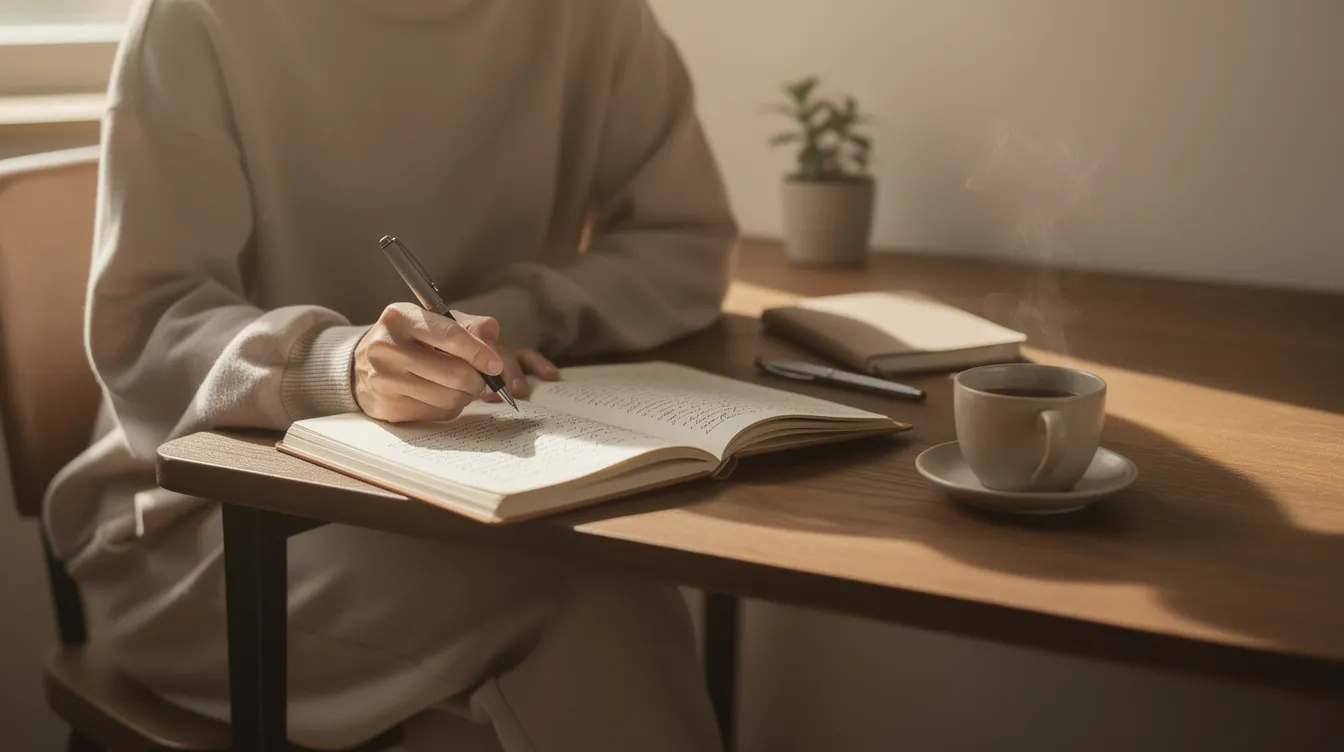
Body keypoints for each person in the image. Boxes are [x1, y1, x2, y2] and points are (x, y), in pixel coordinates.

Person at [43, 0, 737, 749]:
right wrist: (338, 365)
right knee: (595, 605)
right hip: (207, 526)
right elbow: (149, 325)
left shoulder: (592, 16)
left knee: (559, 647)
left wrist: (510, 316)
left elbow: (685, 241)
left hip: (477, 489)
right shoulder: (198, 17)